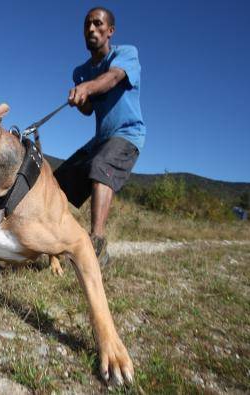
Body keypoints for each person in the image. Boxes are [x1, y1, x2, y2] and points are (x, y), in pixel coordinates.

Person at [54, 7, 146, 266]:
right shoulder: (80, 72)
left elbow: (112, 78)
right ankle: (53, 241)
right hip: (101, 139)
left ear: (110, 31)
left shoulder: (126, 54)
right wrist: (79, 98)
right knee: (55, 184)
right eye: (87, 25)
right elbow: (88, 110)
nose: (91, 29)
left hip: (128, 134)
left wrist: (87, 87)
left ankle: (97, 244)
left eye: (97, 24)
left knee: (100, 165)